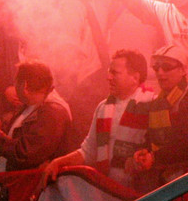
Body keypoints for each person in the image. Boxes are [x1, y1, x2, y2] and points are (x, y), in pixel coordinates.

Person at [42, 49, 154, 188]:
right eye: (109, 71)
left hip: (140, 195)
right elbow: (88, 151)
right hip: (106, 191)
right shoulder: (103, 108)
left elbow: (160, 151)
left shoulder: (152, 105)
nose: (109, 77)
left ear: (135, 78)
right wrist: (58, 162)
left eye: (115, 73)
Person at [126, 44, 188, 189]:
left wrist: (155, 158)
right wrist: (143, 152)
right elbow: (153, 139)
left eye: (166, 67)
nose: (160, 72)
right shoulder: (159, 103)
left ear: (183, 70)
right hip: (172, 179)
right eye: (156, 67)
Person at [0, 61, 73, 174]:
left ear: (24, 86)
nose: (14, 87)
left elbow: (27, 155)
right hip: (15, 183)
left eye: (15, 82)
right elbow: (6, 151)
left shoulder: (53, 113)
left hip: (36, 188)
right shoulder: (28, 108)